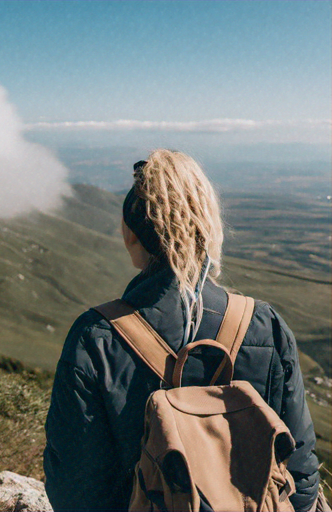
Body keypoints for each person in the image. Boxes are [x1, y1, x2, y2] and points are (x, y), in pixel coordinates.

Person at [43, 149, 320, 512]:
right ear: (209, 228)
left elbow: (75, 490)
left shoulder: (96, 337)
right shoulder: (265, 326)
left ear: (130, 235)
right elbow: (299, 476)